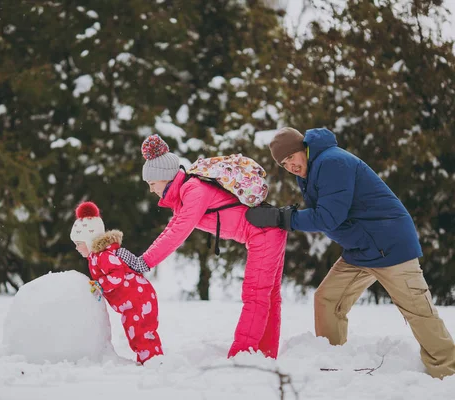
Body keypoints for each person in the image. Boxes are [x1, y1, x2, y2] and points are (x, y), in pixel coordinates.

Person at [246, 126, 455, 378]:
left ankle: (448, 371)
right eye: (283, 163)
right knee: (327, 299)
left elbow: (329, 217)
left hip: (389, 245)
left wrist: (280, 217)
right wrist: (280, 215)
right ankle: (333, 360)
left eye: (291, 157)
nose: (289, 165)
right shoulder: (311, 170)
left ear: (304, 149)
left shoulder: (332, 162)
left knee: (417, 310)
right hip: (361, 247)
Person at [116, 134, 288, 359]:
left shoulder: (194, 190)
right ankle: (265, 355)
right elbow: (172, 229)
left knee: (256, 295)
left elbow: (178, 233)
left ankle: (242, 356)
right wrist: (143, 260)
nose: (151, 190)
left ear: (165, 177)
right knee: (267, 296)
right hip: (267, 231)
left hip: (264, 233)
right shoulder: (186, 193)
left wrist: (144, 262)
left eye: (152, 184)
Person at [70, 201, 163, 364]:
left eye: (79, 243)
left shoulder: (103, 256)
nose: (77, 248)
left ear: (89, 240)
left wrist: (100, 285)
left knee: (141, 331)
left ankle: (152, 361)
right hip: (132, 301)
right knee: (137, 331)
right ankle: (151, 360)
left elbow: (117, 274)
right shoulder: (95, 256)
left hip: (138, 298)